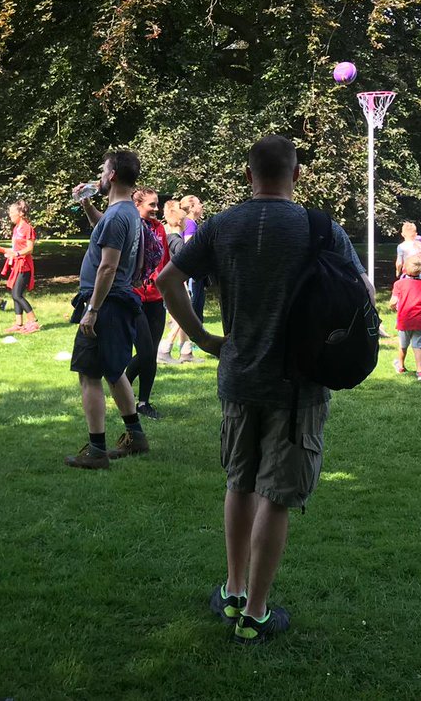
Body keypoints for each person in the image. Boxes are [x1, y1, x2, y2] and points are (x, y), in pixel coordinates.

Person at [156, 135, 369, 645]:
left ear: (249, 175)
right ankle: (255, 614)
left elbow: (167, 281)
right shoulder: (320, 227)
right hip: (299, 386)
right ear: (296, 174)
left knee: (239, 483)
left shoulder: (221, 225)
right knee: (276, 495)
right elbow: (361, 290)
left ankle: (232, 590)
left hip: (238, 377)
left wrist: (203, 338)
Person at [65, 150, 148, 470]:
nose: (100, 175)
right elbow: (105, 229)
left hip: (106, 303)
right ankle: (136, 437)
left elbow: (108, 267)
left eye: (103, 170)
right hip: (119, 301)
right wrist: (87, 205)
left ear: (112, 176)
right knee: (115, 371)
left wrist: (92, 310)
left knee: (89, 375)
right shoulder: (126, 213)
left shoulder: (118, 216)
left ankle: (97, 451)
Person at [123, 187, 170, 419]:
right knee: (146, 351)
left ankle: (143, 402)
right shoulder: (130, 227)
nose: (156, 209)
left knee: (150, 352)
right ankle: (122, 387)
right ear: (137, 205)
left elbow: (166, 262)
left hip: (157, 298)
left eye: (157, 204)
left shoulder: (159, 228)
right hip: (135, 298)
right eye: (152, 204)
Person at [390, 255, 421, 381]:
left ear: (404, 268)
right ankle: (420, 372)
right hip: (420, 321)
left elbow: (393, 301)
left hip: (404, 320)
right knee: (417, 346)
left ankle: (400, 366)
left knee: (403, 345)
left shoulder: (399, 284)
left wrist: (392, 306)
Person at [156, 199, 188, 364]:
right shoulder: (177, 241)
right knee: (182, 316)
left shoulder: (164, 236)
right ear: (181, 221)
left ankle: (186, 352)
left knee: (179, 317)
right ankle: (164, 349)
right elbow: (183, 263)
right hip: (176, 284)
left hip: (164, 282)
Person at [1, 200, 39, 333]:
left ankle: (33, 322)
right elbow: (14, 248)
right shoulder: (16, 228)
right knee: (15, 293)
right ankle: (19, 324)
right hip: (16, 265)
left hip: (24, 266)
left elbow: (30, 249)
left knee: (17, 294)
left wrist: (16, 253)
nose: (10, 215)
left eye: (12, 212)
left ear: (21, 213)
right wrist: (4, 250)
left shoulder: (27, 228)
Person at [178, 194, 206, 362]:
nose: (201, 206)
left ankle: (186, 348)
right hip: (192, 274)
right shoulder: (190, 223)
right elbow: (190, 247)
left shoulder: (188, 223)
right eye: (199, 203)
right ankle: (187, 347)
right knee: (192, 309)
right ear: (192, 207)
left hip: (192, 273)